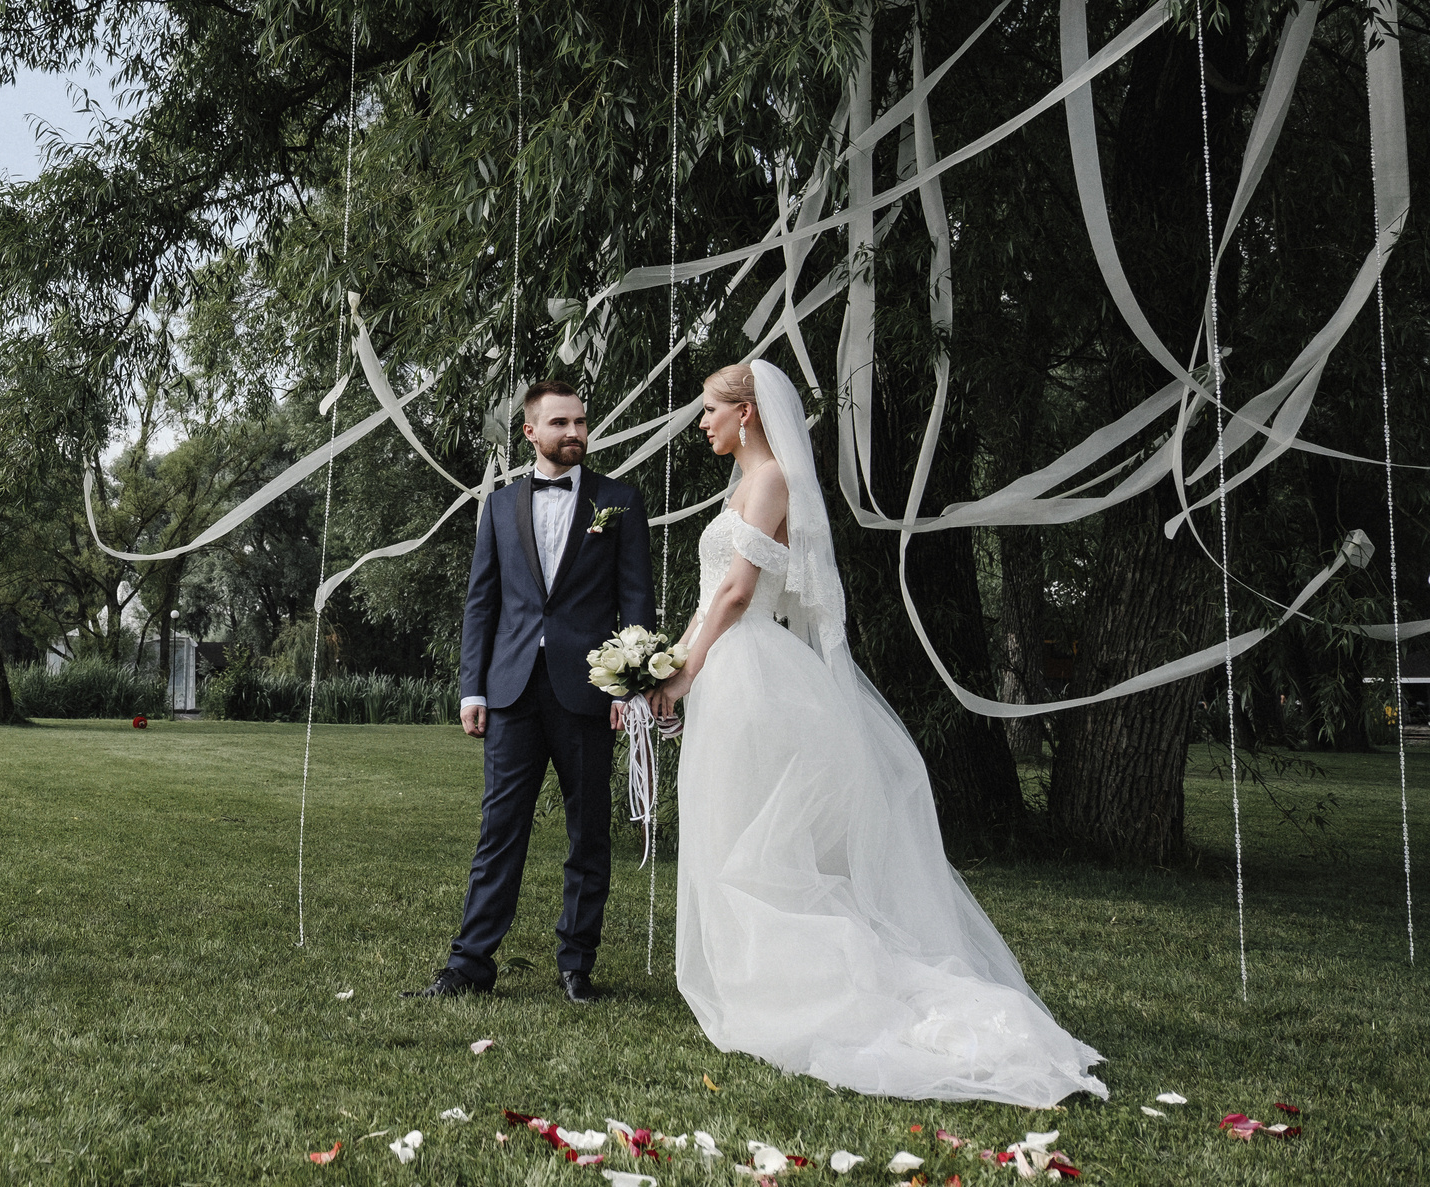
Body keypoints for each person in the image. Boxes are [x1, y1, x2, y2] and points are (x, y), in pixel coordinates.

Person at [648, 359, 1106, 1105]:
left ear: (749, 414)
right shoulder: (742, 485)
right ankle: (754, 973)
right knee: (730, 827)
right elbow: (715, 592)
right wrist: (673, 659)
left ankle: (795, 983)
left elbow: (736, 591)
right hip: (728, 665)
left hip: (747, 668)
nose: (702, 422)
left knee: (754, 841)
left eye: (710, 409)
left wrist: (685, 672)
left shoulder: (768, 483)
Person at [409, 379, 651, 1003]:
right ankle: (468, 966)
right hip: (511, 690)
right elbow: (481, 604)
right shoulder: (498, 506)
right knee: (500, 831)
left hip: (590, 691)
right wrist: (473, 689)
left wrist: (628, 686)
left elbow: (635, 602)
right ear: (530, 432)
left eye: (581, 422)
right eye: (561, 423)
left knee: (587, 832)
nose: (575, 433)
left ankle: (577, 965)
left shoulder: (619, 502)